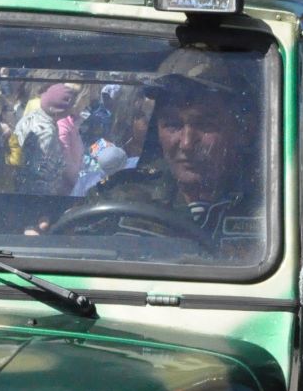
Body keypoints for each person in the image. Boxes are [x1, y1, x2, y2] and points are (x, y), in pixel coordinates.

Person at [84, 56, 264, 262]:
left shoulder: (272, 208)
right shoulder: (118, 199)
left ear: (243, 130)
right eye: (172, 124)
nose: (187, 143)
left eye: (205, 125)